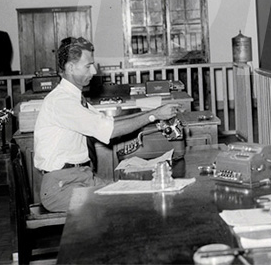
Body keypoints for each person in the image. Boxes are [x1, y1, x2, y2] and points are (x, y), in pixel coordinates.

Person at [33, 36, 179, 212]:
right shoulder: (62, 101)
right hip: (61, 187)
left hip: (81, 177)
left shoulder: (73, 97)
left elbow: (109, 122)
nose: (94, 71)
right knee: (119, 207)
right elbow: (110, 131)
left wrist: (153, 114)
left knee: (132, 195)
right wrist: (153, 115)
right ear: (71, 68)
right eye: (88, 66)